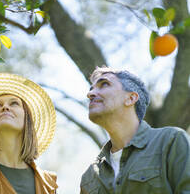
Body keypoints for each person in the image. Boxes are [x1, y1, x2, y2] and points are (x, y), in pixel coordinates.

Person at [80, 66, 190, 194]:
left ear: (131, 98)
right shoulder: (89, 177)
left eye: (104, 84)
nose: (90, 94)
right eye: (91, 89)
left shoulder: (171, 141)